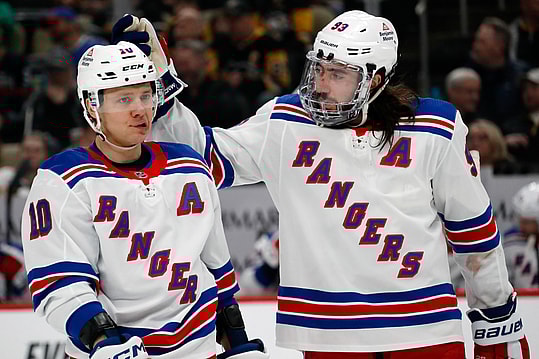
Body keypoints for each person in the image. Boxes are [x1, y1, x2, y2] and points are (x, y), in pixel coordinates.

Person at [113, 10, 531, 358]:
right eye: (319, 69)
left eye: (338, 74)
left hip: (424, 330)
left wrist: (495, 314)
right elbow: (204, 157)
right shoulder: (285, 120)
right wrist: (161, 88)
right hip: (328, 332)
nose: (321, 84)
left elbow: (472, 227)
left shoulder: (433, 125)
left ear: (376, 78)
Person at [21, 42, 268, 359]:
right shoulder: (64, 180)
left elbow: (215, 271)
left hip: (198, 348)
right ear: (91, 106)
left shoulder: (189, 167)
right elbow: (59, 283)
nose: (139, 109)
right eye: (124, 99)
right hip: (113, 350)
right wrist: (104, 341)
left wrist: (238, 342)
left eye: (145, 95)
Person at [503, 182, 539, 288]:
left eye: (527, 222)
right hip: (522, 302)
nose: (522, 226)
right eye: (520, 220)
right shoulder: (510, 245)